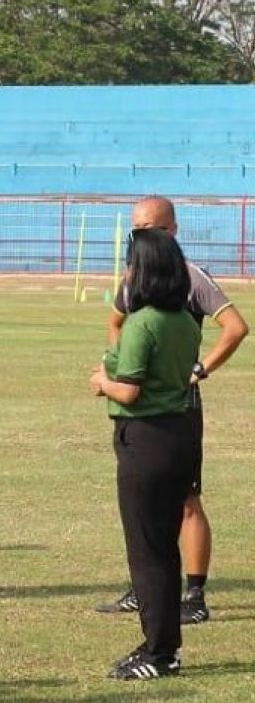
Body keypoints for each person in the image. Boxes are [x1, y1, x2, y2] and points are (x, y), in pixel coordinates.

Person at [96, 196, 248, 624]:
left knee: (186, 500)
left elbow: (236, 327)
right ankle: (144, 589)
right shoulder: (132, 278)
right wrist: (120, 362)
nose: (144, 236)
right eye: (138, 229)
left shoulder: (190, 278)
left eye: (153, 229)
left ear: (173, 231)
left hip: (179, 406)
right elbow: (114, 322)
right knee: (145, 505)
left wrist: (200, 369)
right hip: (140, 411)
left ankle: (195, 596)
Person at [90, 228, 200, 679]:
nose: (126, 273)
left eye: (131, 264)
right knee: (165, 547)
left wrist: (101, 382)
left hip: (146, 440)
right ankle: (165, 645)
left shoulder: (143, 322)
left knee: (147, 549)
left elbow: (130, 391)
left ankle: (158, 652)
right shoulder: (186, 322)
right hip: (180, 435)